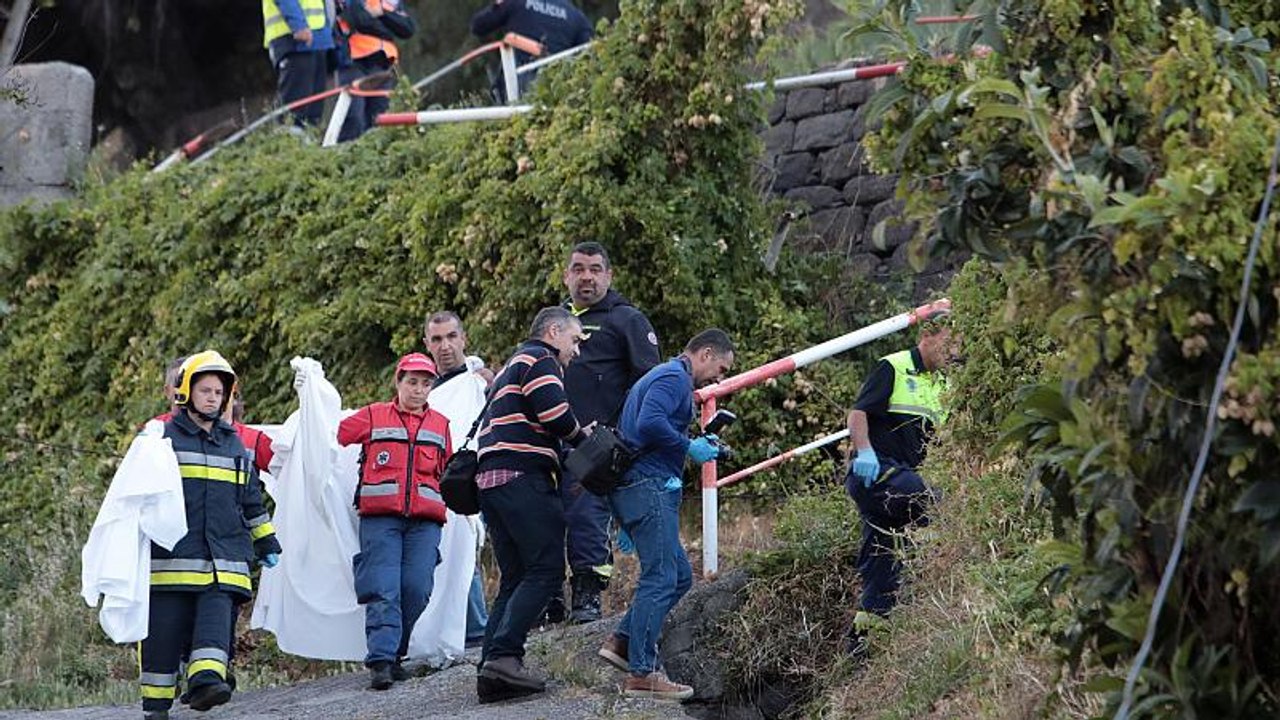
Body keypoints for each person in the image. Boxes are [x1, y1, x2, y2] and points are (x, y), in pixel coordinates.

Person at [139, 351, 281, 720]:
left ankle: (206, 682)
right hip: (172, 561)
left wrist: (265, 538)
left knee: (215, 623)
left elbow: (250, 497)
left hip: (225, 559)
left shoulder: (234, 443)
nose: (213, 398)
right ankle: (156, 706)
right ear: (186, 391)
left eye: (219, 392)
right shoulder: (160, 438)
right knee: (163, 634)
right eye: (205, 390)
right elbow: (134, 496)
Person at [596, 329, 735, 701]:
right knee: (660, 578)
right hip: (649, 486)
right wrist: (689, 446)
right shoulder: (673, 377)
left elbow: (647, 427)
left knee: (680, 576)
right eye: (720, 369)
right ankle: (642, 673)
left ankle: (622, 642)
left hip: (639, 486)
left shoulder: (664, 377)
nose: (718, 379)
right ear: (706, 353)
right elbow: (649, 423)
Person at [474, 307, 590, 703]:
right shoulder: (541, 358)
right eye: (575, 340)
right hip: (523, 475)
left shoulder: (511, 365)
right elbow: (555, 414)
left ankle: (490, 668)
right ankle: (505, 657)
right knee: (546, 569)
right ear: (554, 331)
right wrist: (583, 438)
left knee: (515, 576)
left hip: (491, 479)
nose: (576, 351)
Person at [555, 241, 661, 624]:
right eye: (579, 269)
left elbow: (651, 385)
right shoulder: (553, 321)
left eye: (595, 269)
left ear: (609, 275)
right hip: (550, 440)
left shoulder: (626, 320)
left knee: (587, 519)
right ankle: (548, 600)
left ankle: (587, 595)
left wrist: (622, 438)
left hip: (597, 445)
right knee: (543, 522)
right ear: (566, 276)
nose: (587, 277)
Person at [843, 315, 958, 656]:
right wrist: (864, 451)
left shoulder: (944, 385)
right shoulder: (893, 366)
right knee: (931, 499)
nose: (953, 351)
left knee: (881, 566)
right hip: (876, 473)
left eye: (958, 346)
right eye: (949, 343)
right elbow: (858, 414)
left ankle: (860, 649)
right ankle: (936, 554)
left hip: (904, 480)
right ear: (927, 335)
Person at [337, 352, 452, 689]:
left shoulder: (441, 425)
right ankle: (382, 660)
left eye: (425, 384)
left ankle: (395, 652)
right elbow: (335, 435)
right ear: (398, 382)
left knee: (417, 588)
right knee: (383, 588)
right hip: (380, 520)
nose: (418, 389)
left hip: (425, 523)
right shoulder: (373, 415)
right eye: (412, 382)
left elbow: (447, 470)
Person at [422, 310, 491, 648]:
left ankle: (482, 629)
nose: (445, 346)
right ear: (427, 344)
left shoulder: (479, 382)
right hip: (444, 481)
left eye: (451, 337)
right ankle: (472, 630)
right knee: (454, 552)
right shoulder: (424, 389)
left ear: (464, 338)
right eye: (437, 339)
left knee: (470, 550)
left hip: (484, 474)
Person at [469, 0, 594, 101]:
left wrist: (499, 5)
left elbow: (478, 26)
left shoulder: (516, 2)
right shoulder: (574, 14)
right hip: (560, 88)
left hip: (521, 84)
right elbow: (588, 49)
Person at [334, 0, 415, 141]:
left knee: (379, 119)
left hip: (382, 63)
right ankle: (346, 152)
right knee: (353, 118)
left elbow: (408, 29)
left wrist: (382, 14)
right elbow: (359, 19)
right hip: (355, 61)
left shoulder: (390, 2)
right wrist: (388, 27)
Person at [262, 0, 335, 126]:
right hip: (294, 40)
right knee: (294, 112)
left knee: (312, 113)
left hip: (317, 39)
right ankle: (290, 137)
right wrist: (298, 26)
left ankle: (306, 136)